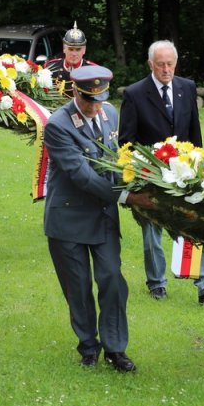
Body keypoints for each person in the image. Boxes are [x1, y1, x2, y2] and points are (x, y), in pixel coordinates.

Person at [43, 65, 155, 371]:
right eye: (88, 100)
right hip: (68, 219)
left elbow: (117, 160)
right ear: (76, 93)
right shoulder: (57, 125)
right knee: (78, 287)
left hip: (103, 216)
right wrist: (127, 197)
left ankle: (116, 348)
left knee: (112, 280)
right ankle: (88, 347)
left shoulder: (110, 114)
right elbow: (82, 175)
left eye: (100, 99)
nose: (95, 106)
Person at [119, 40, 204, 304]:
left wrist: (201, 168)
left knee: (201, 223)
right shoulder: (134, 94)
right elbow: (126, 142)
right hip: (150, 175)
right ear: (150, 64)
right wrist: (139, 175)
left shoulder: (186, 87)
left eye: (170, 64)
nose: (166, 69)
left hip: (186, 173)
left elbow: (194, 132)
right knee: (152, 231)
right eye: (160, 65)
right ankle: (157, 283)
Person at [45, 22, 97, 98]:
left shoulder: (93, 70)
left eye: (78, 49)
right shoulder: (51, 67)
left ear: (84, 50)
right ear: (64, 49)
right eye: (71, 49)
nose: (74, 54)